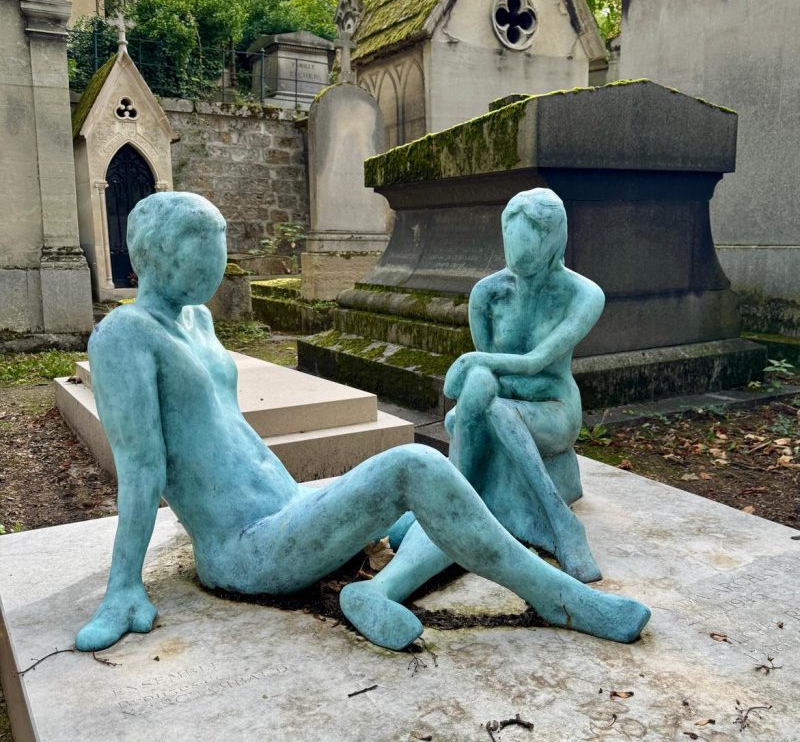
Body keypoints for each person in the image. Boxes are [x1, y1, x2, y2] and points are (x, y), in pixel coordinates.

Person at [76, 192, 650, 654]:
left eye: (220, 243)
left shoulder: (197, 320)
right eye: (205, 246)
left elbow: (220, 438)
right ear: (159, 253)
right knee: (416, 465)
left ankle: (385, 584)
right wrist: (123, 586)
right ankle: (556, 597)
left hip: (288, 503)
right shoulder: (124, 336)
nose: (220, 260)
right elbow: (141, 467)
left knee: (450, 498)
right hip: (249, 549)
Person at [353, 189, 607, 634]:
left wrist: (473, 365)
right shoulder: (488, 293)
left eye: (529, 257)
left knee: (492, 404)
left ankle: (552, 519)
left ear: (554, 242)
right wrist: (477, 377)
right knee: (483, 392)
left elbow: (535, 362)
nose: (518, 266)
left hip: (553, 409)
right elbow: (486, 378)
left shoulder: (583, 294)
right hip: (497, 405)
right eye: (511, 251)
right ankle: (465, 499)